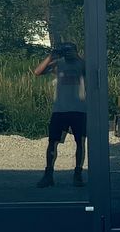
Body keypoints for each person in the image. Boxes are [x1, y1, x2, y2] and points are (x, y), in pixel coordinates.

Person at [34, 40, 87, 187]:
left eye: (70, 50)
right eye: (66, 51)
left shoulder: (81, 64)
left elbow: (91, 71)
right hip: (60, 109)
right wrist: (52, 56)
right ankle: (48, 174)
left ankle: (78, 173)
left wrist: (77, 56)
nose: (68, 54)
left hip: (79, 108)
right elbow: (37, 72)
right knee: (53, 142)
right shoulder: (58, 64)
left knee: (80, 142)